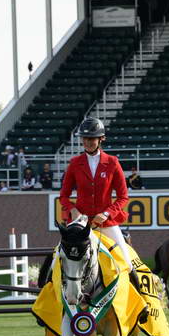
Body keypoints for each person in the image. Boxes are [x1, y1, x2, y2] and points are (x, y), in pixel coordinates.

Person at [60, 117, 141, 290]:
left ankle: (141, 297)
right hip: (81, 223)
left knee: (126, 260)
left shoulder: (112, 162)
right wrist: (73, 210)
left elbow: (123, 196)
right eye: (85, 138)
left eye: (92, 138)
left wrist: (106, 213)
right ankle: (51, 289)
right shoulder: (74, 163)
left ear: (101, 139)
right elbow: (64, 196)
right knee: (59, 257)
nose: (88, 142)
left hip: (106, 222)